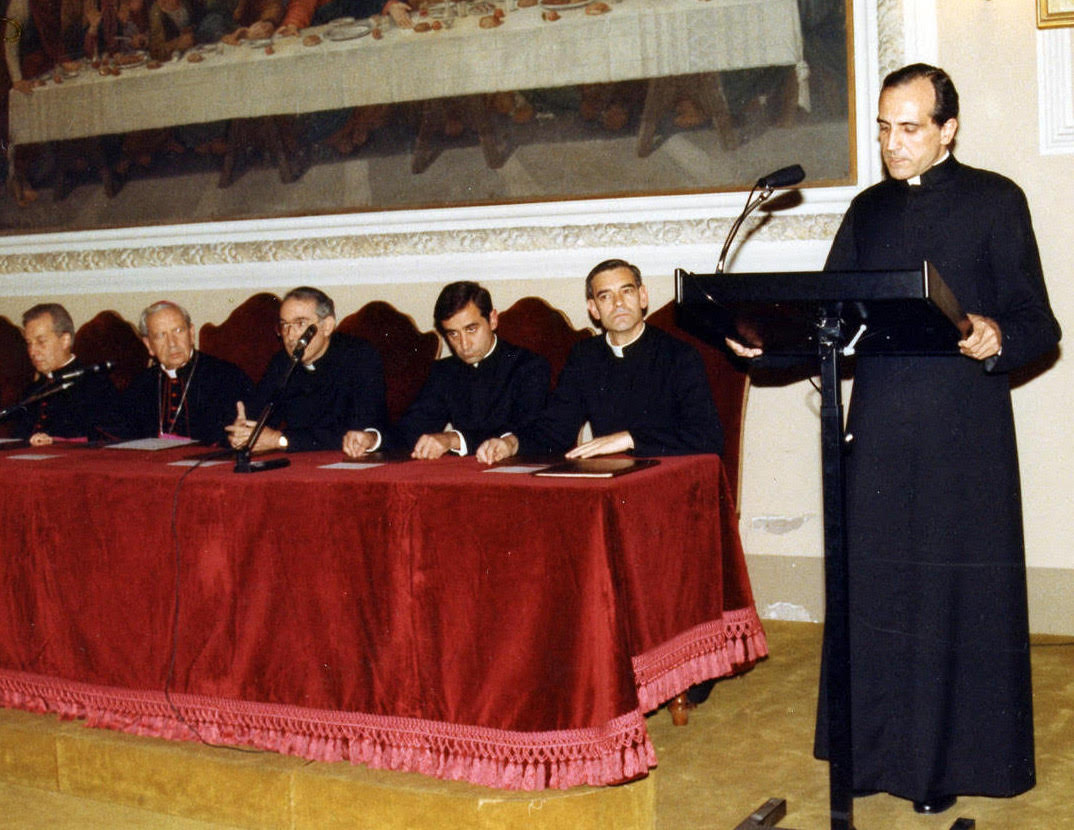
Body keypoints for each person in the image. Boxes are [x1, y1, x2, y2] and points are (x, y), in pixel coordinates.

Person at [777, 64, 1058, 815]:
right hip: (878, 433)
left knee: (945, 599)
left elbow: (1040, 323)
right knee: (875, 594)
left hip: (962, 438)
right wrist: (761, 343)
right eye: (881, 127)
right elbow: (826, 313)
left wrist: (998, 332)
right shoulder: (867, 211)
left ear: (947, 131)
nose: (890, 144)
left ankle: (942, 768)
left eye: (907, 129)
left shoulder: (998, 201)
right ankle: (870, 758)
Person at [476, 259, 723, 463]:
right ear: (593, 309)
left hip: (668, 475)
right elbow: (556, 428)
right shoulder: (585, 356)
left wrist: (630, 438)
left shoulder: (679, 355)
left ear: (643, 297)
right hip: (610, 478)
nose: (618, 304)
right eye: (606, 297)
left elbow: (706, 437)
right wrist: (510, 443)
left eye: (626, 292)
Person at [387, 281, 550, 460]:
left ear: (493, 320)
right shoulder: (444, 372)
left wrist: (454, 439)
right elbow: (411, 428)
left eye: (471, 329)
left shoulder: (529, 366)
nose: (464, 345)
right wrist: (372, 438)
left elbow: (527, 434)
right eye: (453, 334)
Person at [226, 286, 388, 454]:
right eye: (284, 325)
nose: (290, 334)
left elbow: (360, 431)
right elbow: (259, 416)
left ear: (327, 326)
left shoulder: (359, 356)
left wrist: (280, 440)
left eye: (300, 323)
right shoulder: (282, 362)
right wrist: (243, 431)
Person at [116, 301, 253, 445]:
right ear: (149, 345)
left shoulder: (227, 377)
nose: (172, 343)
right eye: (161, 335)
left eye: (178, 331)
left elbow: (244, 431)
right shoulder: (139, 386)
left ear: (191, 333)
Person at [14, 303, 118, 445]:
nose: (32, 351)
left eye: (41, 342)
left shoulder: (95, 384)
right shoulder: (32, 391)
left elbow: (106, 437)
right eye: (29, 343)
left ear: (65, 340)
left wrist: (56, 441)